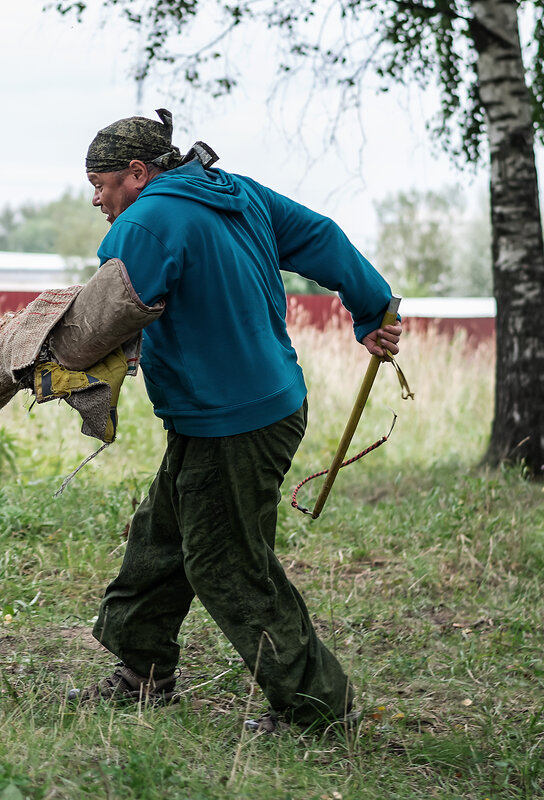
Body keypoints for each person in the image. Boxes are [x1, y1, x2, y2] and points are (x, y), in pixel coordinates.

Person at [67, 109, 403, 735]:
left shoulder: (142, 225)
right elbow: (323, 237)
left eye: (101, 183)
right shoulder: (238, 192)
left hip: (232, 421)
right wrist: (374, 306)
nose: (96, 198)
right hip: (258, 405)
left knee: (228, 564)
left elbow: (96, 325)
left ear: (136, 175)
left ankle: (318, 709)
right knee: (163, 537)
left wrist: (43, 359)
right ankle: (144, 672)